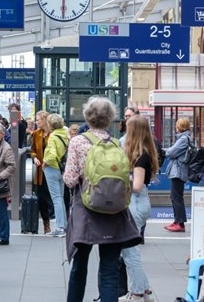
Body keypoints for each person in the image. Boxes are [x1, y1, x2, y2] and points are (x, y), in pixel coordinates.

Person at [63, 96, 141, 302]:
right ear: (110, 119)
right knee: (109, 269)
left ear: (87, 117)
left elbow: (70, 180)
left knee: (79, 267)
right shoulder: (117, 144)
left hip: (85, 209)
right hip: (114, 212)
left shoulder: (78, 142)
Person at [119, 115, 159, 302]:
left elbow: (136, 185)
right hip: (139, 203)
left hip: (135, 203)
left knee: (129, 252)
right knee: (130, 250)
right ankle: (145, 290)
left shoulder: (140, 157)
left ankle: (136, 292)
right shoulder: (144, 154)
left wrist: (119, 177)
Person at [43, 113, 69, 237]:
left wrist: (45, 162)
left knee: (56, 198)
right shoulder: (65, 134)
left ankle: (59, 227)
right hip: (62, 168)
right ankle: (64, 225)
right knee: (61, 198)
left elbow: (52, 154)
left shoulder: (53, 136)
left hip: (52, 168)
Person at [164, 118, 191, 233]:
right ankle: (176, 221)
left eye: (177, 125)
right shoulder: (183, 138)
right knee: (174, 196)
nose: (176, 127)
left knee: (177, 197)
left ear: (180, 127)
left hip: (178, 172)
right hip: (177, 171)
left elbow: (171, 152)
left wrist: (164, 151)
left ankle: (180, 223)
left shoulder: (184, 139)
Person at [30, 110, 55, 233]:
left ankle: (59, 221)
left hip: (53, 168)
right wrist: (34, 158)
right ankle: (46, 224)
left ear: (45, 120)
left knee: (55, 196)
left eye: (38, 119)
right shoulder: (36, 133)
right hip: (41, 171)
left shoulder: (54, 133)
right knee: (42, 197)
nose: (36, 122)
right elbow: (33, 149)